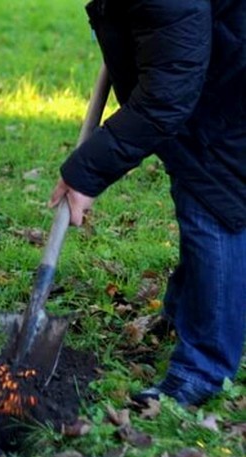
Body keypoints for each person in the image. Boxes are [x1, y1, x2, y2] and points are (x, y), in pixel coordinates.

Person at [50, 0, 245, 406]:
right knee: (199, 177)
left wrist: (86, 172)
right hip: (214, 70)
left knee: (213, 201)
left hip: (229, 92)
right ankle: (182, 313)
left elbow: (166, 96)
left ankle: (202, 369)